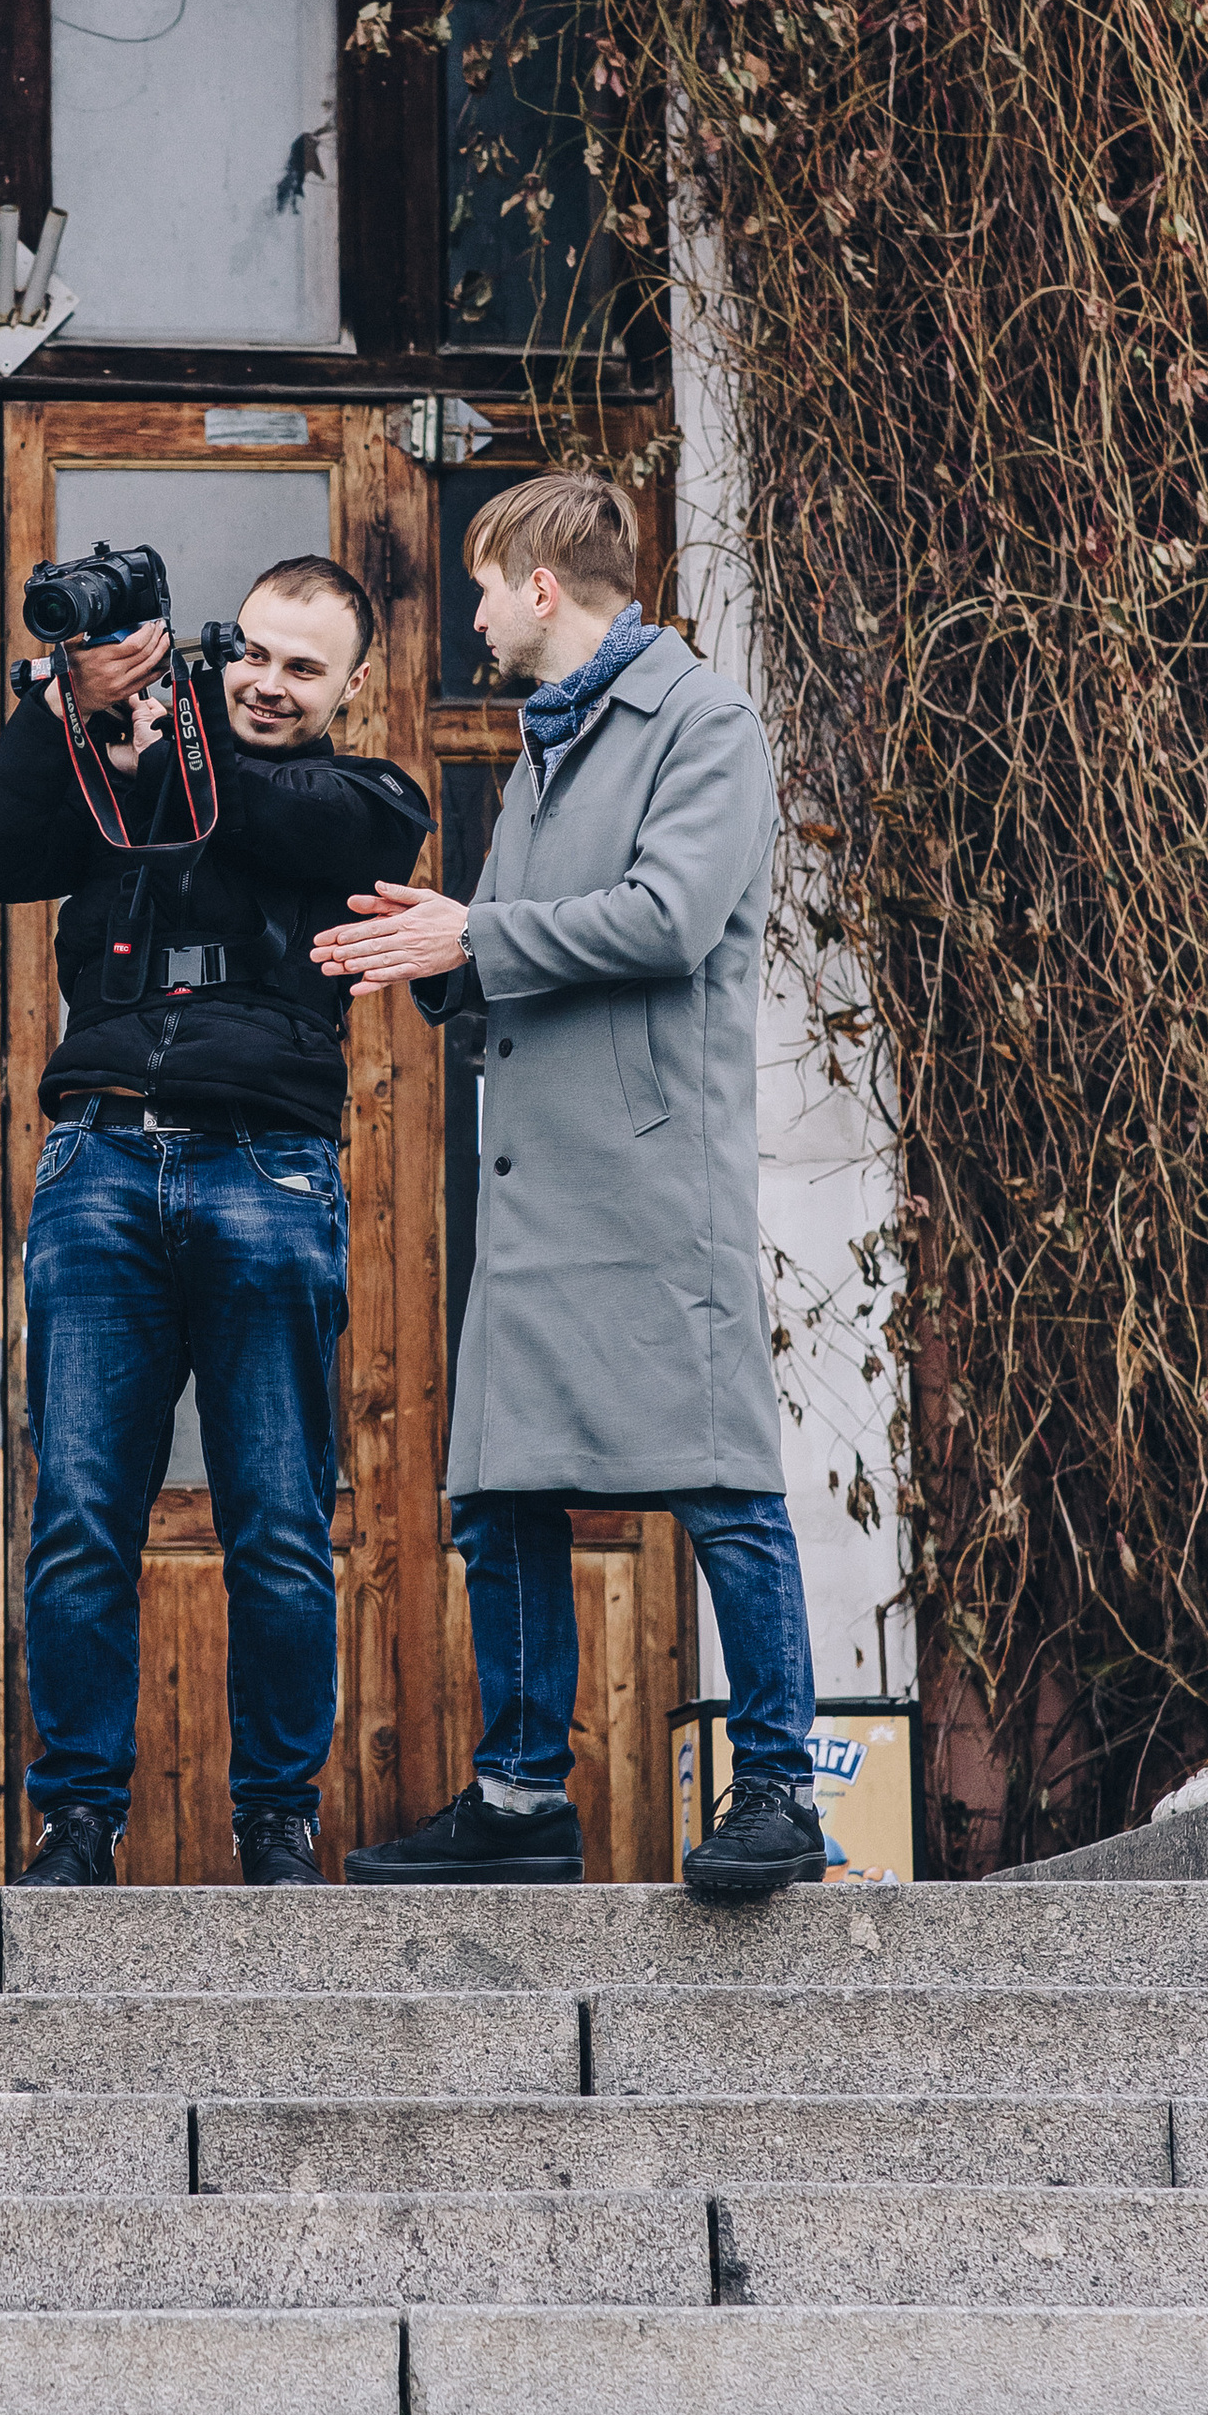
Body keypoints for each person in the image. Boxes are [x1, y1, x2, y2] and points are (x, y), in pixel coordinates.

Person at [316, 469, 826, 1901]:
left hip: (651, 1186)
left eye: (483, 583)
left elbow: (669, 918)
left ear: (543, 586)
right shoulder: (552, 740)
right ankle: (521, 1797)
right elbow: (526, 949)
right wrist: (444, 968)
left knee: (722, 1481)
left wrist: (477, 931)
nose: (472, 613)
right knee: (504, 1494)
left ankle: (780, 1790)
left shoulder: (703, 724)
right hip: (536, 1186)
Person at [0, 557, 429, 1889]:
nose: (269, 686)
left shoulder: (369, 796)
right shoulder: (125, 768)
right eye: (253, 656)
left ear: (348, 687)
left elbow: (294, 833)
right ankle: (76, 1823)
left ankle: (278, 1819)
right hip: (102, 1157)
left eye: (301, 669)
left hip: (267, 1173)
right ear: (225, 645)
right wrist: (69, 713)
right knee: (81, 1516)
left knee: (275, 1521)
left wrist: (186, 727)